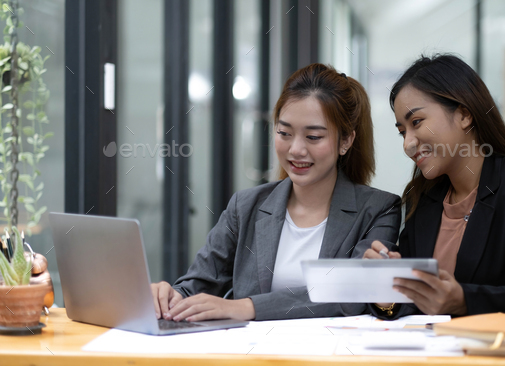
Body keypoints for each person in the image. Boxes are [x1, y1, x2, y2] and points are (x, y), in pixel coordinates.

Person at [152, 63, 401, 322]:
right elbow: (198, 285)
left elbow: (349, 292)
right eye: (284, 133)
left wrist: (246, 307)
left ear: (346, 141)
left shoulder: (379, 209)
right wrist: (169, 296)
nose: (295, 149)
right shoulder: (245, 206)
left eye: (313, 137)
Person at [364, 54, 505, 319]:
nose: (407, 143)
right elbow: (416, 304)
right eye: (402, 131)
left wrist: (465, 301)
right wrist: (390, 289)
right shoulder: (422, 199)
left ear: (464, 115)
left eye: (416, 122)